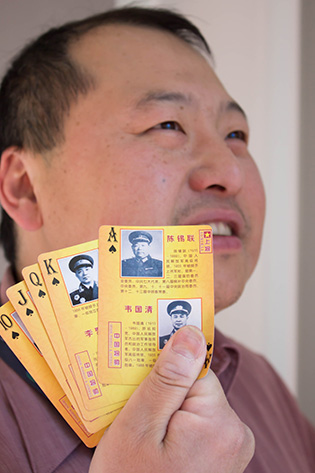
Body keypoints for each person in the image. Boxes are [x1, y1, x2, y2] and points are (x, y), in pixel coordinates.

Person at [0, 6, 314, 473]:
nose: (229, 172)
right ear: (26, 187)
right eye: (167, 125)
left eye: (236, 134)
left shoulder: (263, 384)